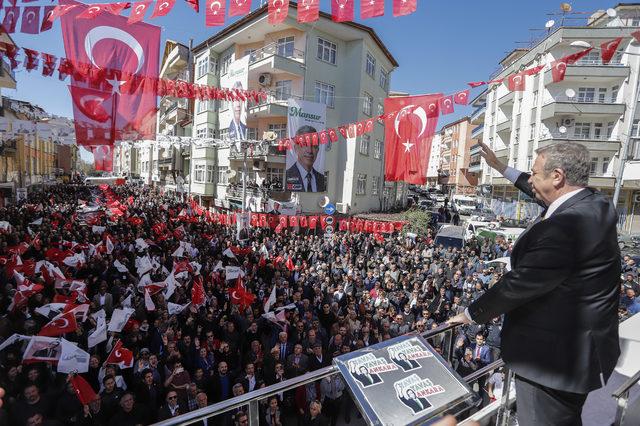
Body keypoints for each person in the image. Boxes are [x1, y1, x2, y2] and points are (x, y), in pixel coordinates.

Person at [449, 141, 621, 426]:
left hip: (553, 362)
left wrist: (469, 314)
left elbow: (518, 285)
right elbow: (538, 192)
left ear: (557, 176)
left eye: (535, 173)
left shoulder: (565, 227)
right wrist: (499, 167)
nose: (530, 179)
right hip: (582, 353)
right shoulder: (595, 203)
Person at [285, 126, 326, 192]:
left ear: (318, 150)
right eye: (305, 145)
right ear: (296, 148)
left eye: (314, 146)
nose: (309, 151)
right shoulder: (287, 176)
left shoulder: (321, 179)